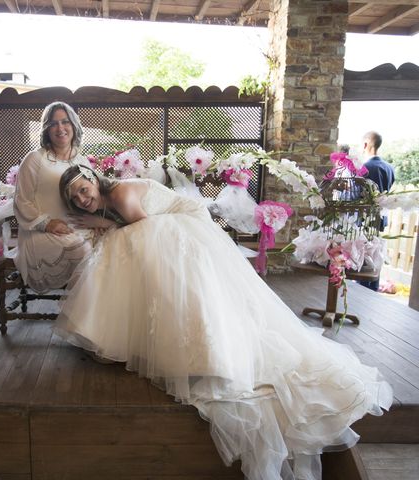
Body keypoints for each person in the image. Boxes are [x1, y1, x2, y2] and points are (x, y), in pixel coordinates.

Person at [55, 164, 393, 480]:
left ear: (94, 179)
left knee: (122, 244)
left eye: (84, 190)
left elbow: (142, 228)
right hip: (163, 228)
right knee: (123, 247)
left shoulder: (119, 195)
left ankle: (198, 345)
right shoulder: (105, 199)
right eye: (76, 199)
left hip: (181, 226)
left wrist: (106, 225)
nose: (84, 200)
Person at [13, 102, 93, 292]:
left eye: (65, 122)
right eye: (54, 124)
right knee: (81, 249)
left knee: (110, 244)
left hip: (76, 228)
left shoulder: (82, 161)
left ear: (74, 125)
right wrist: (47, 224)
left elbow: (90, 197)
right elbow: (21, 201)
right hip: (40, 232)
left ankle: (95, 314)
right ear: (47, 129)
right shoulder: (35, 159)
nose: (60, 128)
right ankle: (77, 314)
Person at [360, 131, 395, 291]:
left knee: (363, 251)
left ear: (366, 144)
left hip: (365, 217)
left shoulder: (366, 167)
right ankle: (372, 286)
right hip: (381, 218)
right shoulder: (389, 168)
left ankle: (362, 288)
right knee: (375, 251)